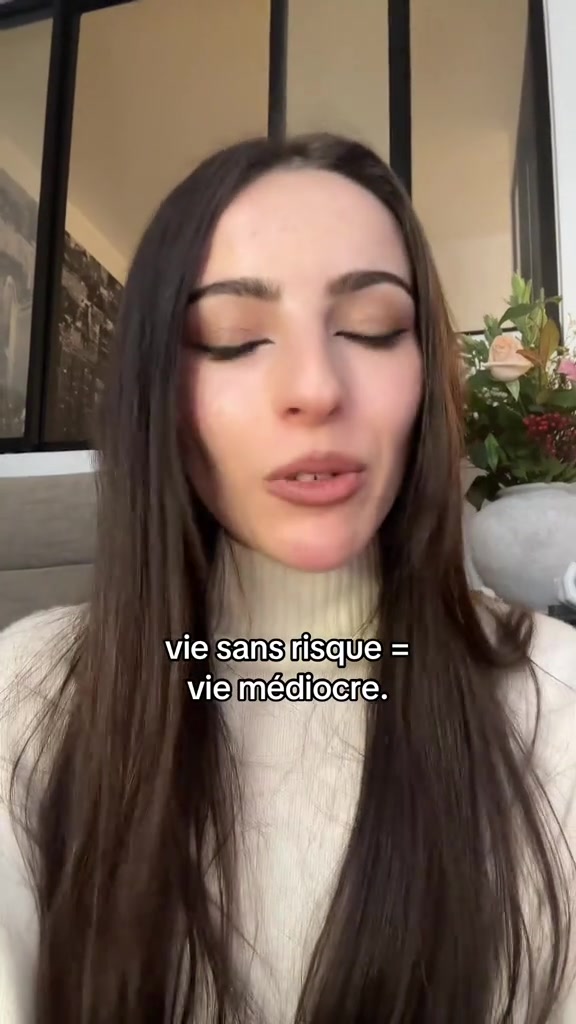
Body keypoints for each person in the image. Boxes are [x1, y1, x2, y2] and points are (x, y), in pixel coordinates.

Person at [0, 132, 575, 1024]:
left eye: (372, 328)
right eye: (232, 339)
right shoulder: (30, 699)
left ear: (426, 374)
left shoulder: (557, 704)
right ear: (159, 392)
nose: (315, 387)